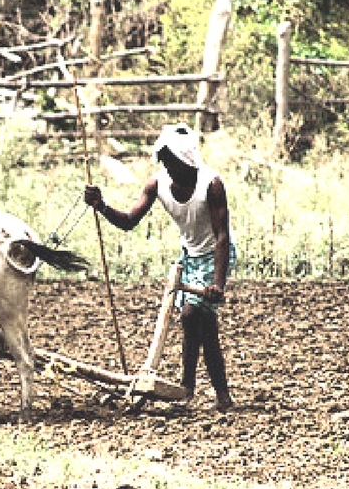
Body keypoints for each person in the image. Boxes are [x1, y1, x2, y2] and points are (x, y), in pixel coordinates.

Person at [83, 123, 236, 409]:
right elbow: (129, 221)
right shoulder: (157, 184)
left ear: (185, 161)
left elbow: (222, 237)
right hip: (189, 256)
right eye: (163, 162)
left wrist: (218, 283)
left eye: (171, 162)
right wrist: (101, 205)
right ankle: (190, 390)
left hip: (215, 254)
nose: (167, 168)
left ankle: (209, 393)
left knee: (196, 314)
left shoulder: (211, 184)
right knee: (193, 321)